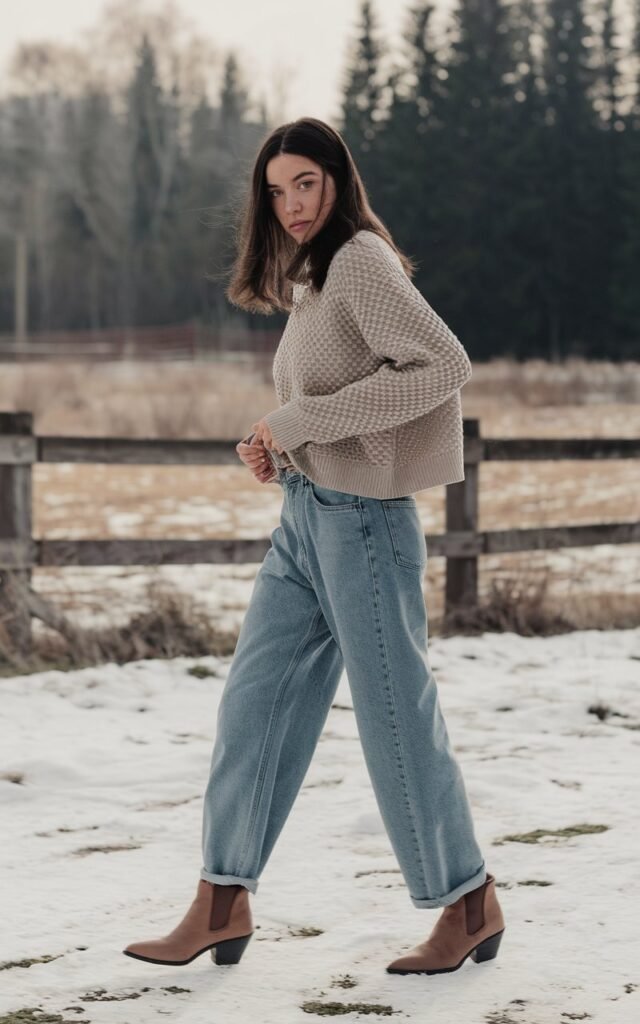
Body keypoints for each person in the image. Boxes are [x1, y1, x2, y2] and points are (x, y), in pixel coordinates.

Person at [123, 116, 505, 975]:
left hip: (364, 524)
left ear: (337, 179)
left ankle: (468, 900)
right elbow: (337, 398)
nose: (292, 204)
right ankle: (222, 900)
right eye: (276, 190)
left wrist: (299, 423)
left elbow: (442, 364)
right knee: (253, 703)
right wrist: (283, 447)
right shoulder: (313, 278)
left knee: (395, 720)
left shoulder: (361, 259)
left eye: (305, 183)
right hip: (306, 518)